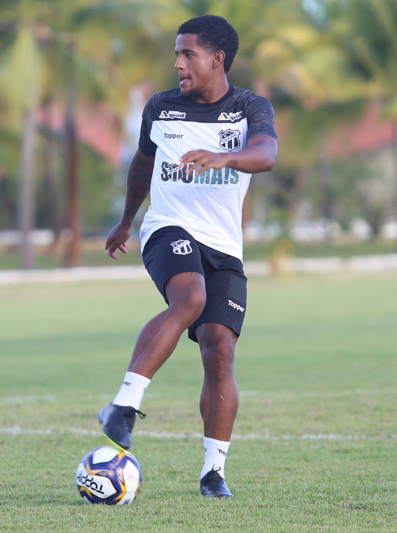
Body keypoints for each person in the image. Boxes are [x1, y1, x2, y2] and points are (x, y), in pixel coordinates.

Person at [100, 14, 278, 498]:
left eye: (188, 54)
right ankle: (123, 404)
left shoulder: (249, 107)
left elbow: (265, 154)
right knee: (190, 298)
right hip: (168, 229)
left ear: (217, 59)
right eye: (177, 53)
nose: (178, 63)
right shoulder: (161, 108)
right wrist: (126, 221)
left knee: (220, 347)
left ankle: (213, 471)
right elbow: (142, 164)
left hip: (224, 245)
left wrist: (225, 157)